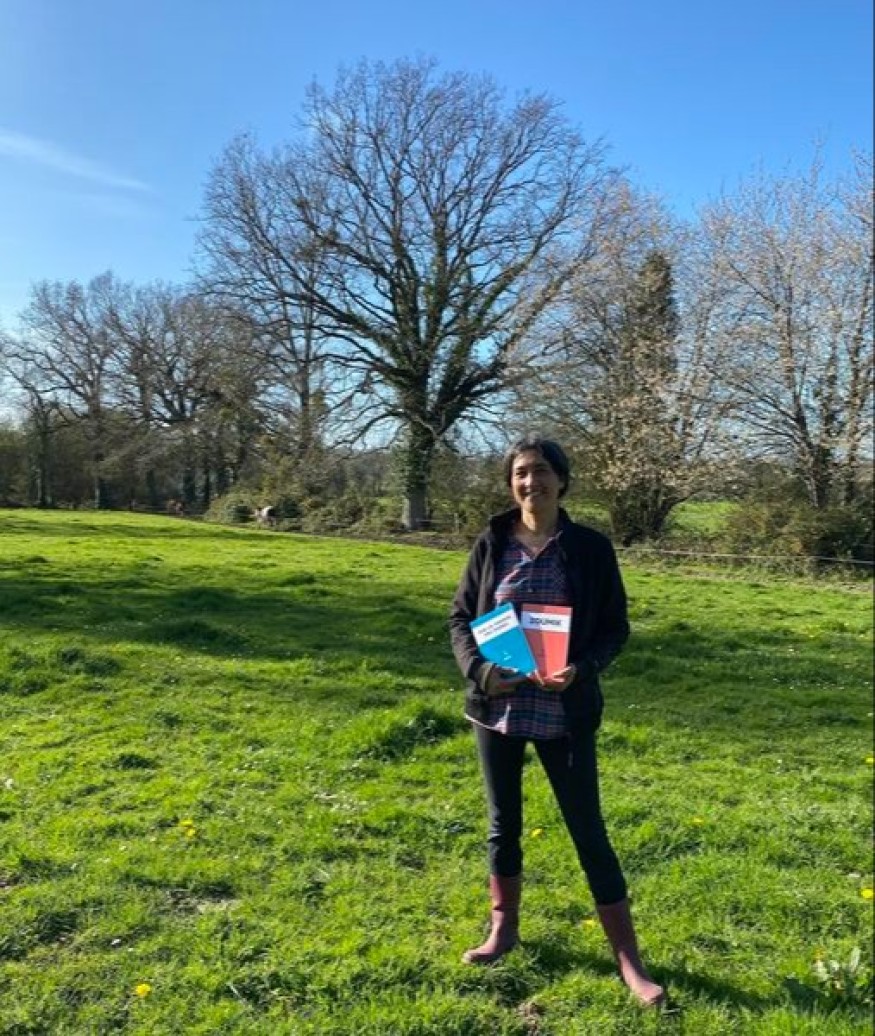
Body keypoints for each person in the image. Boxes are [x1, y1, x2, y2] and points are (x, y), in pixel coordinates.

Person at [449, 436, 665, 1008]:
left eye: (541, 471)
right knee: (503, 825)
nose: (531, 482)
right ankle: (503, 930)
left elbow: (615, 628)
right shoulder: (492, 542)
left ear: (562, 480)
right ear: (510, 483)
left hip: (563, 710)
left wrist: (583, 669)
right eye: (521, 472)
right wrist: (481, 672)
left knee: (587, 829)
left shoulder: (590, 548)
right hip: (498, 709)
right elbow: (460, 617)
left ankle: (628, 957)